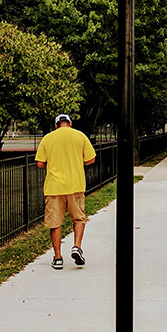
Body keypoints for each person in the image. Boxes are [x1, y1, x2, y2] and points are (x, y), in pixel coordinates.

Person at [35, 114, 97, 270]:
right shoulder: (80, 136)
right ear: (69, 123)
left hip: (54, 186)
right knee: (79, 218)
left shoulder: (48, 139)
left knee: (55, 222)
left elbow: (40, 164)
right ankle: (76, 247)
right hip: (75, 184)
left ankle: (57, 257)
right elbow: (90, 159)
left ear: (56, 125)